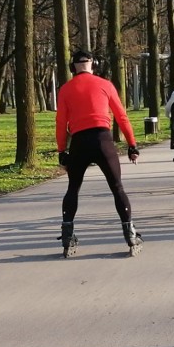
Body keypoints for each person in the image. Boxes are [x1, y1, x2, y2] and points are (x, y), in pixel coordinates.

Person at [56, 50, 142, 258]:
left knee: (73, 188)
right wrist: (132, 144)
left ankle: (68, 238)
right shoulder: (106, 85)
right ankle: (130, 236)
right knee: (117, 187)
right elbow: (122, 116)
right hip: (103, 141)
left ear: (72, 67)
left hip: (79, 142)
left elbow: (60, 123)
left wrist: (62, 151)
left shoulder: (65, 90)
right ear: (93, 65)